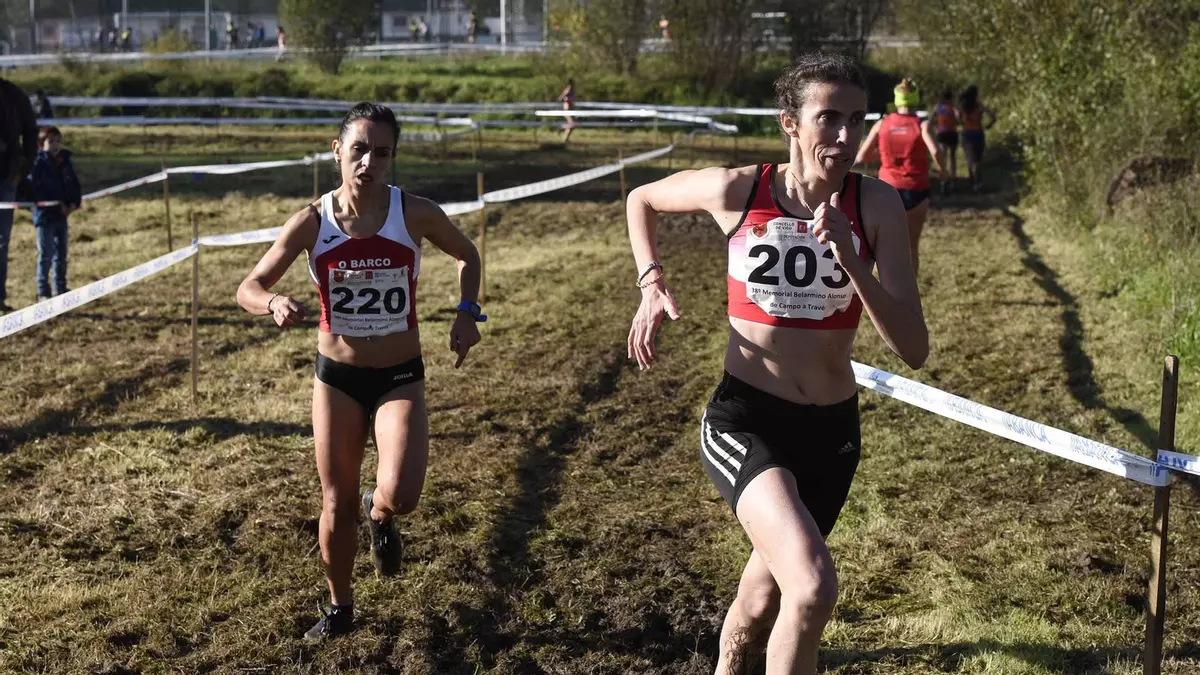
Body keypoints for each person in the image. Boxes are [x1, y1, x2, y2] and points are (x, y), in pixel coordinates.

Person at [626, 53, 928, 674]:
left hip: (831, 433)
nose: (844, 137)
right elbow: (641, 199)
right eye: (828, 119)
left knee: (764, 598)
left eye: (856, 120)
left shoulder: (877, 207)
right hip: (747, 420)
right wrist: (650, 281)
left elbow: (913, 347)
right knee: (812, 587)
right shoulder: (739, 190)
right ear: (790, 123)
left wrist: (852, 260)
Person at [235, 102, 485, 641]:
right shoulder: (312, 221)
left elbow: (468, 255)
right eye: (359, 149)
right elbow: (248, 287)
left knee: (402, 494)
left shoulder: (414, 213)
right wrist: (273, 302)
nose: (369, 162)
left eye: (382, 153)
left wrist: (467, 312)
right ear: (337, 151)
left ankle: (382, 513)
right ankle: (339, 608)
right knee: (335, 500)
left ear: (393, 158)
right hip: (338, 380)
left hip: (400, 376)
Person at [854, 78, 948, 276]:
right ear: (915, 99)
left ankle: (882, 288)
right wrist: (943, 171)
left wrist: (884, 157)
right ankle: (909, 291)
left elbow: (862, 157)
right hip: (916, 190)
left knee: (881, 247)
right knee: (911, 248)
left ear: (896, 100)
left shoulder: (882, 124)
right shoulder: (922, 124)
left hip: (886, 190)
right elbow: (936, 151)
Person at [29, 126, 81, 301]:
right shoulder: (38, 164)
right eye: (50, 141)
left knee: (61, 254)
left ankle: (61, 287)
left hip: (62, 216)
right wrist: (56, 205)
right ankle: (43, 291)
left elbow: (74, 184)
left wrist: (73, 203)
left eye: (58, 141)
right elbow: (37, 190)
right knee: (46, 255)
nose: (55, 145)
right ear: (41, 144)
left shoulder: (65, 162)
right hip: (45, 217)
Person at [0, 78, 39, 314]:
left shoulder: (14, 95)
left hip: (6, 178)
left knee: (1, 242)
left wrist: (22, 170)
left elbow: (31, 132)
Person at [958, 84, 996, 192]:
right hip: (978, 133)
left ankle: (972, 181)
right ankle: (978, 181)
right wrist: (988, 125)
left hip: (967, 134)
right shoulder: (979, 106)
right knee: (978, 159)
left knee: (970, 159)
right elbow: (993, 116)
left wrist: (964, 124)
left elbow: (959, 119)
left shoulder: (963, 107)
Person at [930, 88, 958, 191]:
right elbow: (958, 117)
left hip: (942, 133)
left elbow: (931, 120)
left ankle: (943, 180)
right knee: (952, 157)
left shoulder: (938, 107)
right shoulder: (953, 107)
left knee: (943, 158)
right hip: (952, 133)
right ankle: (953, 178)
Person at [558, 78, 577, 145]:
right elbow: (560, 98)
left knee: (574, 125)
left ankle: (566, 139)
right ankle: (561, 128)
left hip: (571, 110)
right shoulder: (567, 90)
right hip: (567, 110)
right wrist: (566, 100)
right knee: (572, 124)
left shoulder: (572, 91)